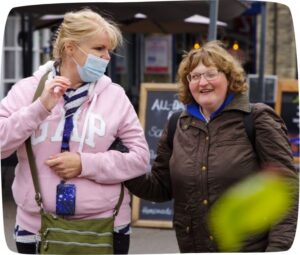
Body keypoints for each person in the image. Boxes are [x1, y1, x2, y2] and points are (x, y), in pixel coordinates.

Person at [125, 40, 298, 252]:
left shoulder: (256, 119)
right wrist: (120, 165)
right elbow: (161, 188)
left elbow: (286, 189)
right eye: (194, 76)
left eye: (210, 74)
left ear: (229, 77)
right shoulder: (176, 124)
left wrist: (280, 249)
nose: (202, 82)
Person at [0, 8, 149, 254]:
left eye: (108, 50)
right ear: (70, 47)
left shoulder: (115, 96)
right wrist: (39, 108)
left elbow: (141, 159)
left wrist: (85, 164)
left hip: (105, 226)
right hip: (36, 228)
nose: (107, 57)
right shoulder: (27, 91)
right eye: (99, 49)